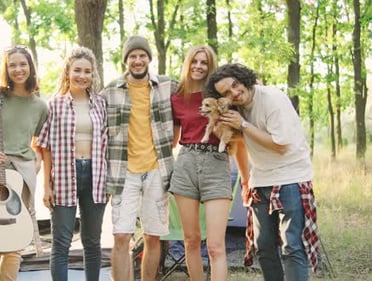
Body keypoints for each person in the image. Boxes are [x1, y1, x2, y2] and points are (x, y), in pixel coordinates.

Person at [206, 63, 319, 281]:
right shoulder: (237, 110)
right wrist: (246, 181)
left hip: (290, 179)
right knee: (264, 246)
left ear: (242, 78)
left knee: (291, 245)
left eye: (235, 85)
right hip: (261, 180)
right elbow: (239, 144)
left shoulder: (272, 99)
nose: (234, 93)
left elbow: (280, 145)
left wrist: (244, 125)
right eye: (226, 94)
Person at [101, 35, 178, 281]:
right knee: (121, 236)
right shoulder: (110, 91)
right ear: (126, 60)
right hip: (123, 172)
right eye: (132, 56)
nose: (137, 60)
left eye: (142, 55)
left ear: (149, 59)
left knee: (152, 236)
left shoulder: (168, 86)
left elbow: (194, 98)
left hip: (157, 170)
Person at [169, 46, 249, 281]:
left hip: (216, 162)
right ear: (187, 64)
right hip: (186, 163)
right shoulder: (177, 96)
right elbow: (172, 140)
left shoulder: (221, 98)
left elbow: (238, 138)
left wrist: (245, 178)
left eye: (204, 62)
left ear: (210, 66)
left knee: (215, 246)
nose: (198, 66)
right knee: (191, 240)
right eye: (194, 61)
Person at [0, 45, 48, 281]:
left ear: (31, 67)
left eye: (23, 64)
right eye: (12, 65)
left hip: (20, 178)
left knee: (14, 242)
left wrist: (34, 165)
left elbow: (39, 143)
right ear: (6, 69)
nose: (18, 69)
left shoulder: (40, 106)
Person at [36, 46, 107, 281]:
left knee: (92, 241)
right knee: (61, 242)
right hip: (65, 176)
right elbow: (44, 147)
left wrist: (108, 183)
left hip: (96, 177)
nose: (82, 76)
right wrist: (46, 186)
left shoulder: (100, 104)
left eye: (87, 71)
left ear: (92, 74)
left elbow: (108, 144)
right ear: (68, 72)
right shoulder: (54, 105)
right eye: (77, 70)